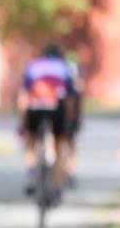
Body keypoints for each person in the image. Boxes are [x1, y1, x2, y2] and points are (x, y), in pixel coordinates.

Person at [17, 43, 75, 203]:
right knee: (58, 145)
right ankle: (57, 188)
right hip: (57, 107)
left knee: (31, 139)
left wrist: (23, 122)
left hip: (35, 106)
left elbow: (23, 96)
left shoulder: (33, 65)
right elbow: (70, 99)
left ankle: (31, 174)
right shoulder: (63, 67)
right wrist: (69, 122)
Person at [64, 51, 85, 188]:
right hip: (71, 114)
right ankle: (71, 172)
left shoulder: (62, 70)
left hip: (62, 111)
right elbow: (79, 97)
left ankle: (65, 171)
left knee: (57, 142)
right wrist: (79, 118)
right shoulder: (77, 76)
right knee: (71, 144)